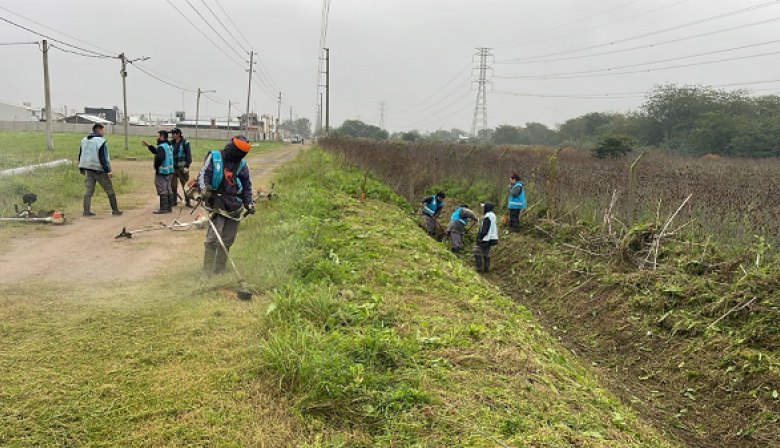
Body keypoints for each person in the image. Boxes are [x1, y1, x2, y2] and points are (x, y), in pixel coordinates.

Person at [195, 136, 255, 275]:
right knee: (213, 239)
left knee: (228, 239)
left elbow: (247, 187)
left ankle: (219, 269)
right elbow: (204, 174)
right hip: (217, 204)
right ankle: (207, 271)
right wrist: (204, 189)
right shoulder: (215, 157)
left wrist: (249, 203)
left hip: (235, 206)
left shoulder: (242, 165)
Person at [78, 123, 123, 216]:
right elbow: (103, 158)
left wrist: (81, 167)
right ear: (99, 131)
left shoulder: (84, 140)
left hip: (88, 168)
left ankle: (86, 211)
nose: (104, 132)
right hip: (99, 169)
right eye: (103, 130)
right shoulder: (100, 141)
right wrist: (108, 170)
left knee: (88, 190)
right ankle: (115, 210)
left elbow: (81, 154)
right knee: (109, 189)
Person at [142, 130, 174, 214]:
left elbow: (160, 157)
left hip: (162, 171)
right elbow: (157, 152)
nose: (156, 137)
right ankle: (169, 207)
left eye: (158, 136)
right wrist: (149, 146)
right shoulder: (168, 145)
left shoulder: (162, 147)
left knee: (162, 188)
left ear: (162, 137)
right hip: (169, 171)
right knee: (168, 189)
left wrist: (156, 167)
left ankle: (163, 208)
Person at [169, 128, 193, 207]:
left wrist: (187, 166)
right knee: (173, 185)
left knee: (185, 185)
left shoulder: (185, 143)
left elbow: (188, 155)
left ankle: (188, 201)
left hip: (182, 168)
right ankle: (174, 200)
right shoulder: (171, 143)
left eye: (173, 133)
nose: (172, 135)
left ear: (178, 134)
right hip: (173, 167)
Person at [474, 202, 498, 272]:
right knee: (486, 252)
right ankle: (486, 268)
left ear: (486, 208)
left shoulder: (487, 216)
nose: (482, 209)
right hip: (490, 238)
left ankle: (479, 267)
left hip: (485, 238)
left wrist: (480, 237)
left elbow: (485, 229)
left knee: (476, 250)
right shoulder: (493, 215)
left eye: (483, 207)